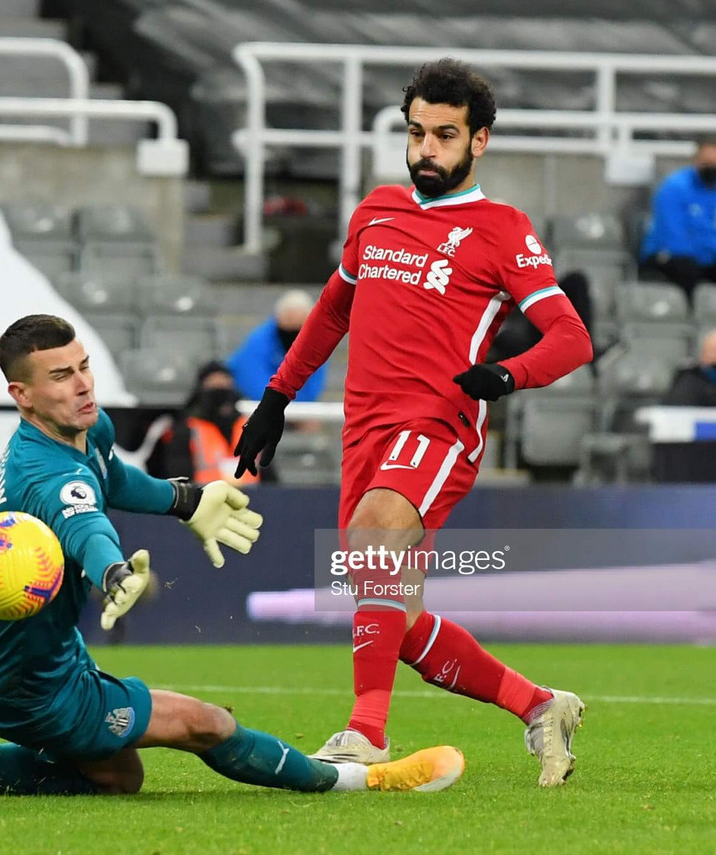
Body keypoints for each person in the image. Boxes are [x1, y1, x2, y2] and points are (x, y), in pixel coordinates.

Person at [0, 314, 463, 801]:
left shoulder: (82, 430)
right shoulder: (46, 476)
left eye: (82, 366)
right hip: (30, 681)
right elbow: (86, 524)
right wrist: (111, 573)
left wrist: (186, 501)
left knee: (117, 777)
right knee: (207, 723)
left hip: (17, 659)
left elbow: (115, 481)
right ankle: (357, 781)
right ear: (22, 395)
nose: (81, 385)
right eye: (60, 376)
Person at [233, 59, 593, 787]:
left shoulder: (501, 229)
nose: (427, 149)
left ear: (479, 141)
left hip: (439, 423)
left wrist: (505, 374)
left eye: (446, 135)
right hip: (365, 430)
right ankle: (540, 704)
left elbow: (571, 336)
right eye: (417, 133)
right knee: (393, 613)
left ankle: (365, 733)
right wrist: (276, 398)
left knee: (372, 538)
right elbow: (334, 311)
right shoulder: (376, 210)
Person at [639, 138, 716, 301]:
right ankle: (687, 321)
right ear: (696, 161)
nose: (712, 167)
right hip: (667, 255)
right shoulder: (674, 187)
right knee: (686, 269)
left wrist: (703, 243)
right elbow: (674, 240)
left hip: (710, 256)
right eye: (707, 162)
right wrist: (711, 245)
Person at [147, 361, 265, 486]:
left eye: (224, 382)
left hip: (252, 500)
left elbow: (267, 474)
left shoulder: (251, 428)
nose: (220, 390)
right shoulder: (187, 429)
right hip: (206, 501)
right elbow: (178, 477)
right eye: (213, 383)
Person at [228, 290, 327, 402]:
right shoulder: (259, 341)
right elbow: (254, 384)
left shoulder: (314, 344)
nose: (293, 332)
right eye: (289, 323)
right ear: (278, 319)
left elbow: (312, 387)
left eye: (300, 326)